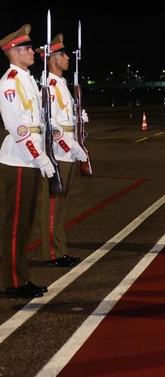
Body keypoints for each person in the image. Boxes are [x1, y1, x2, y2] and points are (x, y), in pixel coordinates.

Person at [0, 24, 53, 298]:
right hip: (20, 159)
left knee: (24, 223)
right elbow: (17, 127)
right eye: (27, 48)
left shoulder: (27, 79)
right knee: (15, 224)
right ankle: (12, 282)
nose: (33, 51)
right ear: (13, 51)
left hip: (29, 159)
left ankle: (20, 278)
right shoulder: (10, 82)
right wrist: (40, 156)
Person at [36, 34, 88, 267]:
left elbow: (65, 118)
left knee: (62, 202)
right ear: (52, 58)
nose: (68, 58)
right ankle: (52, 254)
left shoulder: (62, 85)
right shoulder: (49, 86)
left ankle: (60, 248)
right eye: (63, 54)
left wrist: (79, 121)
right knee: (53, 203)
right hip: (57, 151)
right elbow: (50, 123)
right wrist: (70, 144)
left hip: (67, 150)